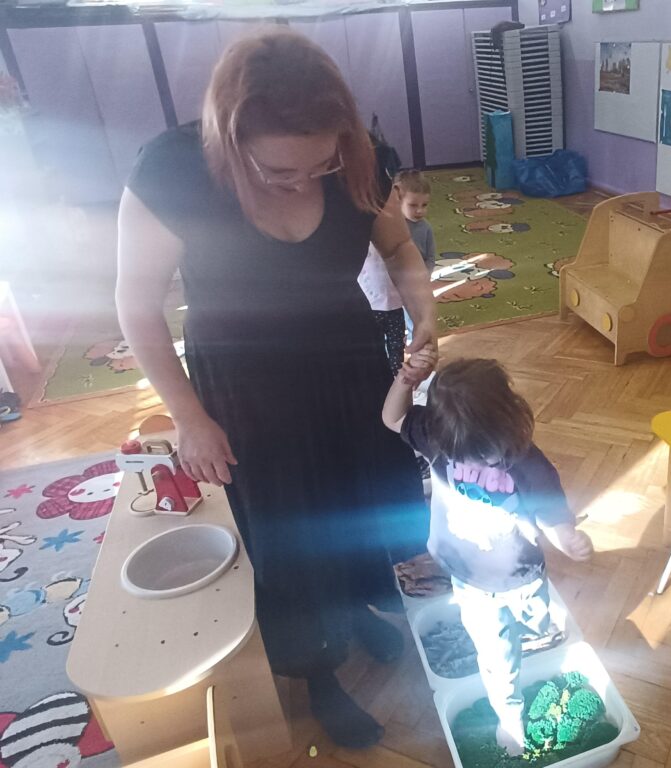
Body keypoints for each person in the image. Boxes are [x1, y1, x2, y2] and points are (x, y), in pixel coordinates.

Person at [115, 29, 436, 748]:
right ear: (230, 140)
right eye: (280, 169)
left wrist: (426, 317)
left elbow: (398, 247)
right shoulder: (173, 169)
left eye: (322, 164)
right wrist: (189, 417)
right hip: (245, 384)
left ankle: (356, 610)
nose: (304, 181)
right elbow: (136, 306)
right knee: (288, 529)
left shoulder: (357, 156)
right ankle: (316, 673)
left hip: (349, 362)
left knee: (360, 501)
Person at [382, 355, 593, 756]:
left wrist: (567, 538)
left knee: (537, 620)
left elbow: (550, 515)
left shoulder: (527, 462)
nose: (476, 461)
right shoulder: (438, 436)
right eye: (466, 455)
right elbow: (392, 417)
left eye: (487, 455)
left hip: (523, 575)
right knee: (497, 656)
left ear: (510, 423)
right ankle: (509, 715)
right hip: (469, 578)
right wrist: (406, 379)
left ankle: (531, 629)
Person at [357, 170, 436, 375]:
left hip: (396, 304)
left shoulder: (422, 229)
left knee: (396, 350)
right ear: (398, 196)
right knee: (371, 350)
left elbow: (425, 257)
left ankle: (396, 380)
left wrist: (422, 279)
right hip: (371, 304)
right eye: (413, 205)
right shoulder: (370, 230)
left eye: (424, 205)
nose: (419, 211)